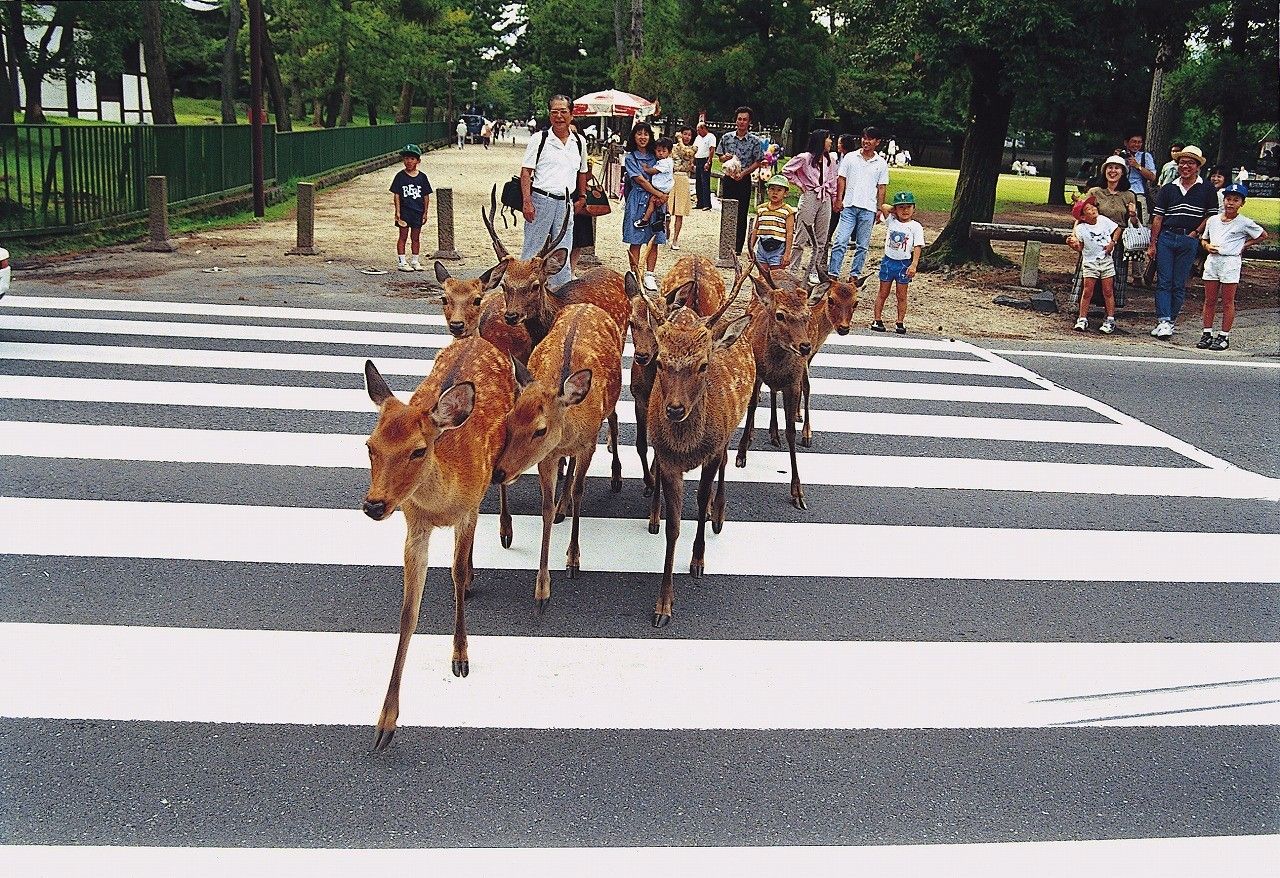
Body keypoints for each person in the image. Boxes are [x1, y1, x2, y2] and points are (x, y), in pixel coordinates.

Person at [1146, 145, 1218, 338]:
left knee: (1179, 283)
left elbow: (1210, 216)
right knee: (1164, 281)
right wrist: (1153, 243)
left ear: (1198, 167)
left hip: (1189, 238)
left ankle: (1171, 320)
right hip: (1167, 237)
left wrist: (1195, 233)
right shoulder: (1168, 188)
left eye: (1190, 163)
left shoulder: (1207, 189)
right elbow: (1158, 217)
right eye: (1182, 162)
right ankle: (1163, 320)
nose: (1185, 166)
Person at [519, 95, 588, 290]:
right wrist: (527, 202)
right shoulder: (539, 139)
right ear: (549, 115)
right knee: (533, 249)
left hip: (566, 203)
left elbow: (582, 171)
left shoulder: (579, 142)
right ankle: (523, 290)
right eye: (554, 112)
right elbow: (526, 172)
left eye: (563, 111)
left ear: (571, 115)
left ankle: (560, 294)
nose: (559, 116)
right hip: (541, 200)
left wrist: (582, 197)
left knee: (562, 251)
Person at [1198, 183, 1268, 351]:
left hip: (1230, 262)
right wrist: (1207, 246)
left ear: (1242, 203)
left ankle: (1224, 335)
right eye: (1228, 199)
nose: (1230, 203)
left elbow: (1262, 235)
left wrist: (1244, 245)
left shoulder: (1244, 222)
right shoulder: (1213, 220)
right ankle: (1207, 333)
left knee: (1227, 301)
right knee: (1209, 299)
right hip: (1213, 261)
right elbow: (1204, 238)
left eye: (1236, 200)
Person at [828, 126, 889, 282]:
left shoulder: (881, 163)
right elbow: (842, 179)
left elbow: (882, 187)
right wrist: (839, 199)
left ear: (877, 142)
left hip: (868, 208)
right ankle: (833, 273)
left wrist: (880, 208)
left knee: (862, 245)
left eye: (870, 139)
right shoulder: (850, 157)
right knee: (840, 241)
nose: (866, 142)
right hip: (849, 205)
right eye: (864, 138)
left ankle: (855, 274)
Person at [782, 128, 837, 284]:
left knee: (821, 238)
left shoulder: (830, 160)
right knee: (802, 235)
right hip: (810, 195)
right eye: (828, 138)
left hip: (825, 197)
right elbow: (786, 170)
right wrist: (800, 184)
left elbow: (833, 180)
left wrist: (834, 198)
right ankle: (793, 269)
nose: (830, 141)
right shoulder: (805, 158)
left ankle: (814, 270)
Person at [868, 191, 924, 334]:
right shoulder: (891, 220)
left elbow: (917, 246)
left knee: (901, 295)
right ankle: (877, 319)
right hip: (889, 261)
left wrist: (914, 264)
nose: (905, 211)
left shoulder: (915, 226)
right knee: (883, 292)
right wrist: (894, 210)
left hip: (903, 263)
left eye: (908, 207)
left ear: (914, 208)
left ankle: (900, 321)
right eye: (901, 207)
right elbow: (884, 207)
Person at [622, 121, 667, 291]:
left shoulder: (656, 156)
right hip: (639, 199)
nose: (643, 137)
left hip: (657, 200)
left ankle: (650, 274)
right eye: (639, 133)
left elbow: (666, 174)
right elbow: (640, 180)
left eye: (646, 134)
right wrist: (658, 194)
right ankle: (635, 274)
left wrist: (663, 195)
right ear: (634, 136)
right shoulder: (630, 158)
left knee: (654, 239)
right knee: (636, 239)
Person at [1085, 155, 1139, 293]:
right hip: (1095, 239)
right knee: (1091, 278)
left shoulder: (1129, 195)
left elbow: (1134, 224)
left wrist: (1133, 214)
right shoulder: (1094, 192)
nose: (1113, 171)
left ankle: (1111, 305)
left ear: (1123, 172)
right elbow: (1083, 216)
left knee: (1114, 279)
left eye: (1117, 168)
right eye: (1110, 167)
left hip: (1118, 242)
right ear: (1104, 171)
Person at [1067, 195, 1121, 334]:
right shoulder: (1081, 229)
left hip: (1106, 260)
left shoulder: (1103, 220)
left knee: (1108, 290)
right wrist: (1073, 245)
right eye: (1088, 209)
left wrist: (1112, 243)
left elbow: (1117, 229)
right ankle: (1082, 318)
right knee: (1087, 291)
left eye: (1093, 207)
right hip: (1090, 261)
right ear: (1083, 216)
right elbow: (1080, 247)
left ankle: (1110, 319)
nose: (1093, 210)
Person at [717, 106, 766, 254]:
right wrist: (724, 158)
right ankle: (726, 245)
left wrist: (744, 173)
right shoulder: (727, 138)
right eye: (739, 119)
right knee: (727, 211)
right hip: (729, 178)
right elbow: (720, 157)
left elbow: (758, 161)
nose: (742, 122)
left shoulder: (755, 141)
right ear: (736, 120)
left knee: (742, 212)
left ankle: (737, 247)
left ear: (749, 122)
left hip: (744, 179)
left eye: (745, 120)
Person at [390, 143, 431, 272]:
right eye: (406, 158)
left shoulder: (422, 177)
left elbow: (426, 195)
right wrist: (397, 211)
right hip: (404, 211)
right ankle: (402, 261)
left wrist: (425, 212)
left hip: (417, 211)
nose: (409, 161)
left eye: (412, 159)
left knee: (415, 237)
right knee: (403, 236)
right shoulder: (400, 176)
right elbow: (396, 194)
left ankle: (415, 260)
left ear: (418, 161)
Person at [749, 175, 796, 268]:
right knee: (762, 273)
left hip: (778, 248)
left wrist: (787, 254)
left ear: (785, 193)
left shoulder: (787, 211)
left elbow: (789, 233)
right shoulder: (761, 209)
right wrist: (751, 248)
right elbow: (756, 229)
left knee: (776, 274)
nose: (775, 192)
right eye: (772, 189)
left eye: (779, 190)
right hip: (762, 246)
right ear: (768, 191)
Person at [634, 137, 674, 231]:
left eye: (664, 151)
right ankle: (666, 214)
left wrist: (646, 169)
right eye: (658, 151)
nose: (661, 153)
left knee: (652, 201)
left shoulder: (665, 162)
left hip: (661, 187)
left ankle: (645, 219)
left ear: (669, 152)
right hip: (664, 187)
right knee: (659, 203)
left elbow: (654, 171)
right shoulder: (665, 161)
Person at [1117, 131, 1157, 218]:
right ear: (1126, 143)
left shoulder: (1145, 156)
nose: (1136, 145)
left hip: (1138, 194)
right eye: (1134, 142)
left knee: (1139, 221)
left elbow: (1152, 177)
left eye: (1139, 142)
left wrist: (1137, 166)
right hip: (1120, 193)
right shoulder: (1120, 156)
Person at [668, 126, 695, 249]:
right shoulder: (672, 147)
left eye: (689, 135)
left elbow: (687, 154)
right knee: (667, 209)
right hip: (671, 177)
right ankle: (666, 232)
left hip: (683, 177)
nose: (687, 137)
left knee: (680, 212)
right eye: (685, 134)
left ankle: (675, 239)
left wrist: (680, 140)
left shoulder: (693, 148)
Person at [691, 120, 716, 211]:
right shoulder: (698, 138)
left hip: (705, 159)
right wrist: (692, 162)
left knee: (705, 182)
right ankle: (700, 202)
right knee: (698, 182)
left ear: (703, 128)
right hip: (698, 159)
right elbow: (694, 149)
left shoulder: (711, 136)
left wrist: (708, 162)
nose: (698, 132)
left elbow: (712, 150)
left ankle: (707, 204)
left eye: (699, 130)